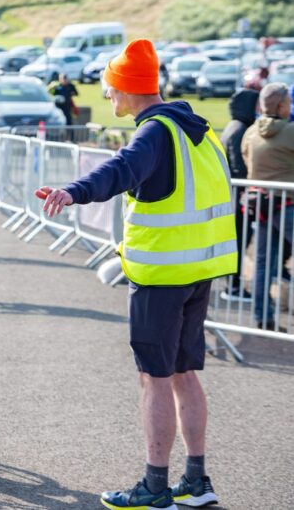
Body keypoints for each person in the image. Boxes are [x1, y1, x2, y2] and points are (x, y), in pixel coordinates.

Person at [37, 40, 233, 510]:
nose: (108, 98)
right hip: (199, 271)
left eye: (109, 90)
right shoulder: (196, 128)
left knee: (155, 379)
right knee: (184, 373)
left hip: (163, 277)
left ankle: (155, 486)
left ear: (127, 89)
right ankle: (197, 481)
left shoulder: (154, 133)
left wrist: (72, 192)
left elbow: (122, 169)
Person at [241, 83, 294, 331]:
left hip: (261, 204)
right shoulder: (290, 132)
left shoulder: (251, 132)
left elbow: (245, 158)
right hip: (288, 204)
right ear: (282, 105)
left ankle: (262, 317)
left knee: (262, 263)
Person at [218, 89, 259, 301]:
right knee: (239, 242)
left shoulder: (235, 126)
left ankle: (233, 285)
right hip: (238, 198)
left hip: (234, 196)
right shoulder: (240, 129)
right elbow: (238, 167)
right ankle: (233, 287)